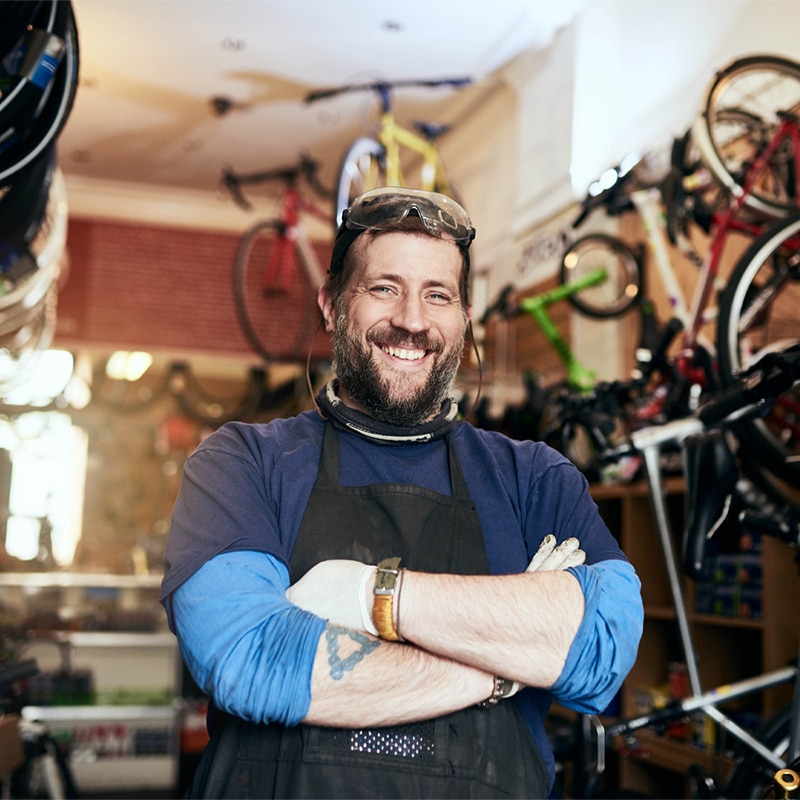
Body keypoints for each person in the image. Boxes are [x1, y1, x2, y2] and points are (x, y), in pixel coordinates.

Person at [160, 187, 643, 799]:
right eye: (384, 287)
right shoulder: (242, 465)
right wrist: (507, 666)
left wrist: (370, 596)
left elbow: (601, 650)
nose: (413, 320)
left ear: (464, 317)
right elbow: (252, 661)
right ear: (333, 306)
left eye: (437, 295)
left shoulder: (534, 480)